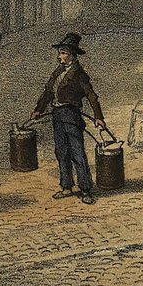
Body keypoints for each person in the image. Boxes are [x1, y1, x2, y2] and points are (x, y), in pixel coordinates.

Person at [30, 32, 108, 205]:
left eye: (63, 53)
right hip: (57, 116)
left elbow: (91, 96)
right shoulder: (58, 71)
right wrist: (38, 109)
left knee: (77, 153)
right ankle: (66, 186)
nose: (60, 56)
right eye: (60, 53)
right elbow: (48, 92)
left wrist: (98, 117)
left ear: (72, 55)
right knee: (61, 152)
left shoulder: (79, 74)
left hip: (71, 116)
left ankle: (85, 189)